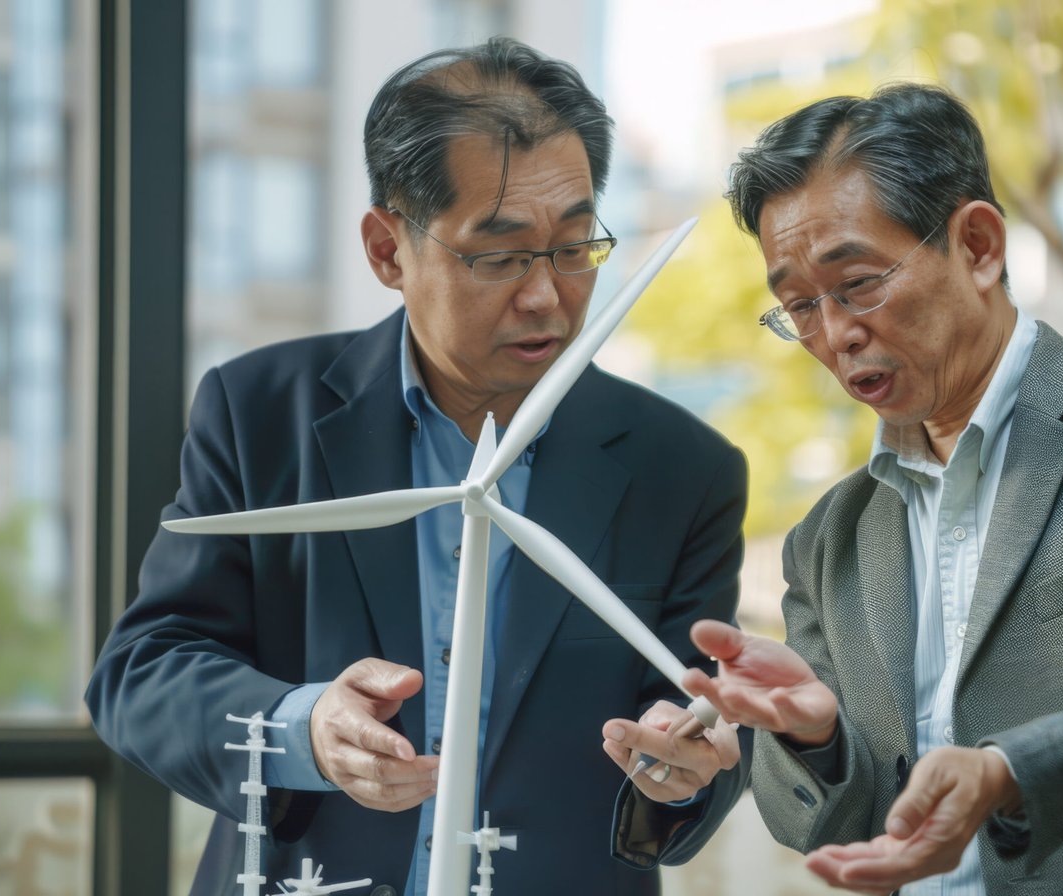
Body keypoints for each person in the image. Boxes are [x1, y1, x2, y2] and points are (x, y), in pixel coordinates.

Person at [87, 38, 748, 896]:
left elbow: (702, 720)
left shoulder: (682, 468)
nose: (547, 294)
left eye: (576, 246)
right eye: (501, 254)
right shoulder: (260, 415)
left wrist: (687, 762)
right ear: (387, 249)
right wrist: (303, 726)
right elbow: (143, 671)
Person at [682, 83, 1063, 895]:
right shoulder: (829, 537)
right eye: (799, 306)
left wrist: (1009, 772)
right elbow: (835, 822)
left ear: (977, 246)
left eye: (858, 282)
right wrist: (820, 738)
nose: (834, 334)